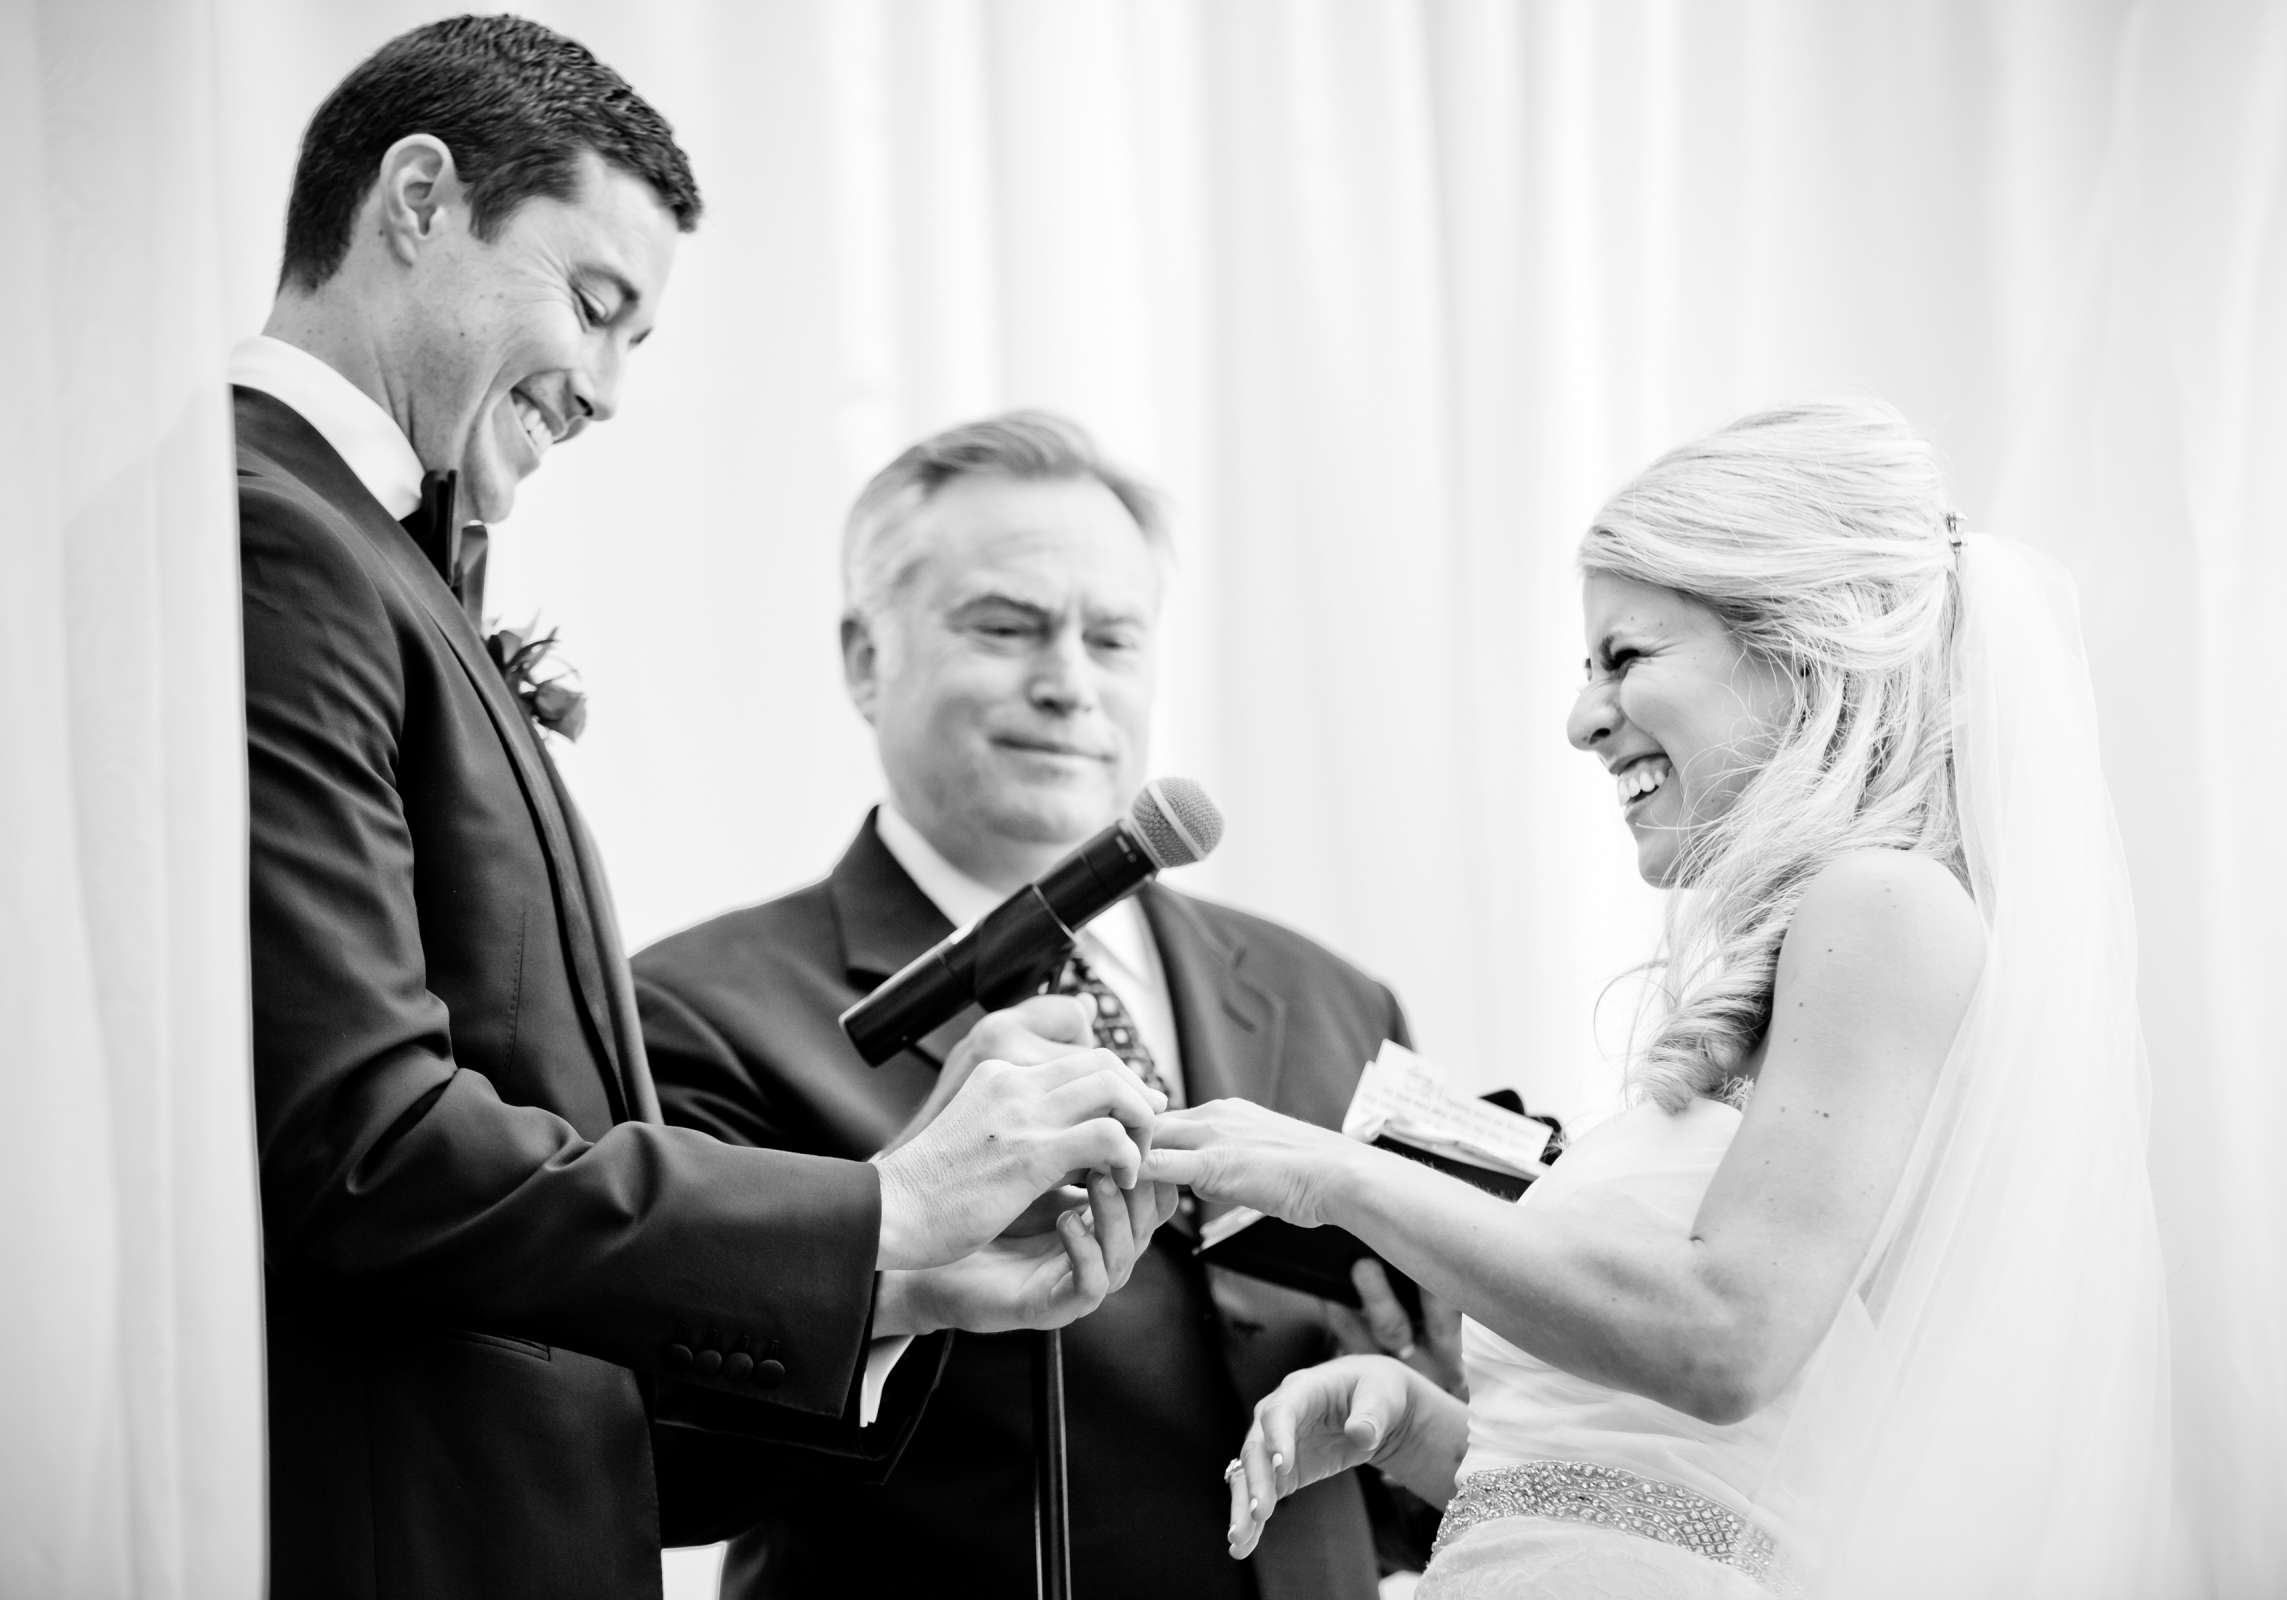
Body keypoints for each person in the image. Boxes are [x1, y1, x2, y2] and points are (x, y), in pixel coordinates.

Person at [238, 22, 1169, 1599]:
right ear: (416, 198)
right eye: (592, 306)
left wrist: (906, 1288)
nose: (603, 389)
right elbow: (365, 1146)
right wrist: (886, 1207)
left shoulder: (376, 555)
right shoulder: (283, 540)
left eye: (636, 342)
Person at [1144, 400, 2181, 1596]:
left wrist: (1336, 1179)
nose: (1582, 718)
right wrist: (1411, 1423)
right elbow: (1672, 1499)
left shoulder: (1884, 905)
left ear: (1803, 647)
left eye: (1625, 658)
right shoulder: (1818, 947)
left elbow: (1727, 1340)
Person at [634, 410, 1446, 1598]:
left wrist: (1440, 1393)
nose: (1068, 682)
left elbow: (1408, 1510)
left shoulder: (1331, 998)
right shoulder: (697, 1011)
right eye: (1007, 627)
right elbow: (671, 1462)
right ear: (866, 658)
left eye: (1112, 638)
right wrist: (891, 1250)